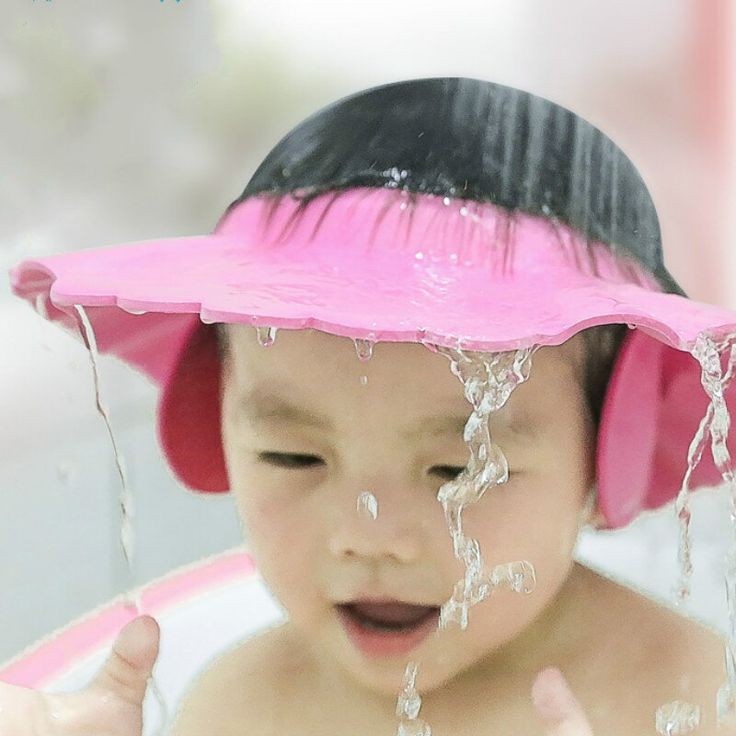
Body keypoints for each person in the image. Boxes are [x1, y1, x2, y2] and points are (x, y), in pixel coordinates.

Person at [6, 77, 736, 735]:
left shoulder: (691, 692)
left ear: (610, 457)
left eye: (460, 469)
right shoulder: (243, 710)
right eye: (293, 456)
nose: (371, 536)